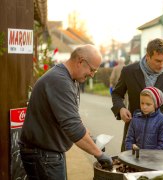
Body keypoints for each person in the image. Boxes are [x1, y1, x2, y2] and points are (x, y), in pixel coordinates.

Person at [19, 44, 113, 179]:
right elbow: (72, 126)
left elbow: (70, 118)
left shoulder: (69, 79)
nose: (92, 75)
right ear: (80, 61)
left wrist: (92, 141)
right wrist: (98, 153)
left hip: (47, 152)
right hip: (43, 154)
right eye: (92, 70)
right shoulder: (60, 81)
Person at [111, 38, 163, 151]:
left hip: (161, 137)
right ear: (148, 56)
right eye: (157, 61)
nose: (161, 65)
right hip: (134, 135)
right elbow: (116, 94)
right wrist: (121, 108)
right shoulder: (128, 71)